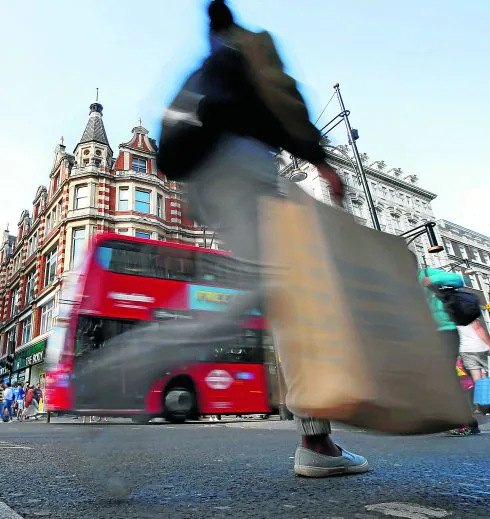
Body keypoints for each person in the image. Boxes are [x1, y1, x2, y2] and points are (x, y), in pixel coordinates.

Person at [159, 0, 367, 477]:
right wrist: (318, 159)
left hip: (206, 182)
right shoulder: (249, 46)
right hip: (247, 168)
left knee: (272, 294)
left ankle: (316, 438)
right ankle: (316, 443)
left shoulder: (203, 65)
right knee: (298, 296)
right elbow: (280, 101)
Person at [418, 265, 480, 435]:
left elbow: (458, 280)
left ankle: (464, 422)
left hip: (444, 330)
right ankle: (463, 420)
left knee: (446, 376)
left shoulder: (425, 273)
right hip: (426, 335)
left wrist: (431, 280)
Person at [458, 318, 490, 415]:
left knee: (477, 379)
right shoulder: (468, 312)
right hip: (479, 348)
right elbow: (477, 327)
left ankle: (482, 407)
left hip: (465, 349)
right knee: (485, 375)